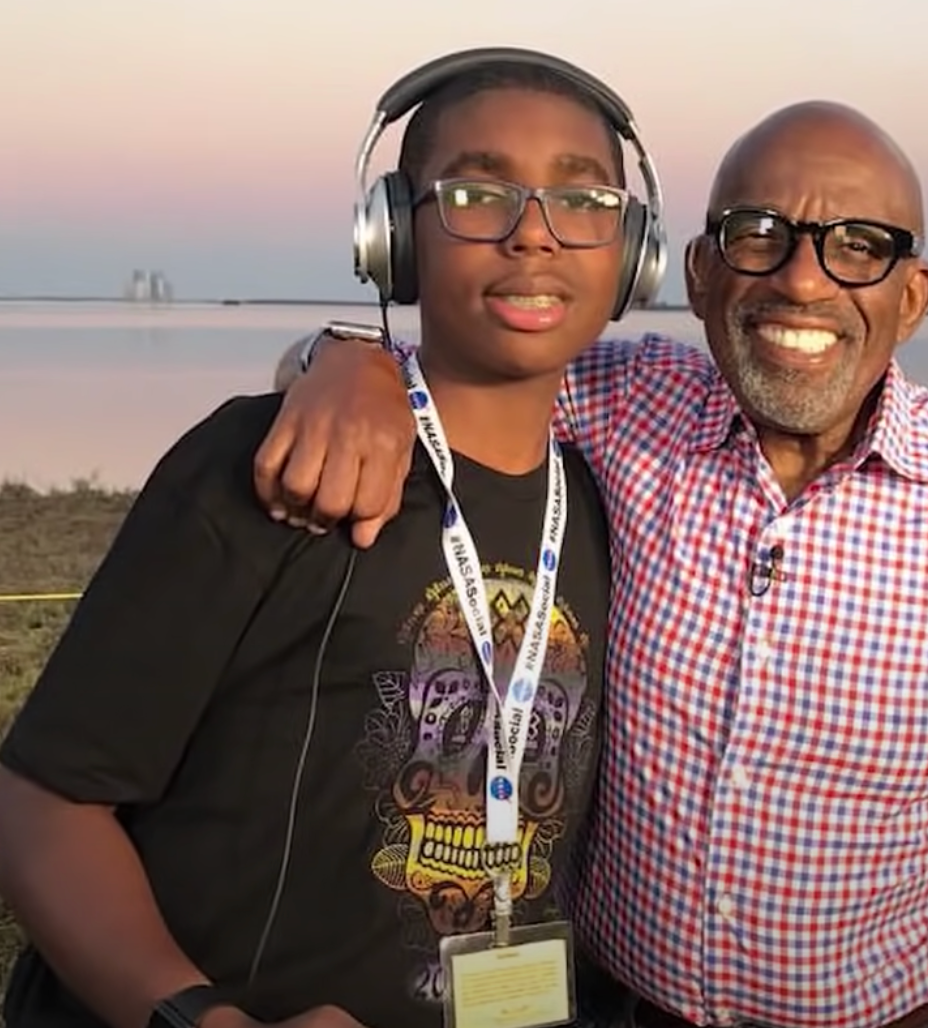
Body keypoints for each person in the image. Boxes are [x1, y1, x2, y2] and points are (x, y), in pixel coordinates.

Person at [251, 100, 928, 1028]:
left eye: (859, 245)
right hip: (607, 996)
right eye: (758, 233)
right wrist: (348, 360)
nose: (802, 281)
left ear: (911, 297)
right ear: (697, 272)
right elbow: (452, 373)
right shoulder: (627, 400)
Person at [0, 50, 658, 1028]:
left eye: (583, 199)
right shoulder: (265, 465)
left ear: (631, 250)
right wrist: (193, 1014)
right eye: (477, 192)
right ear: (393, 235)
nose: (534, 234)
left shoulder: (617, 508)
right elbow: (45, 799)